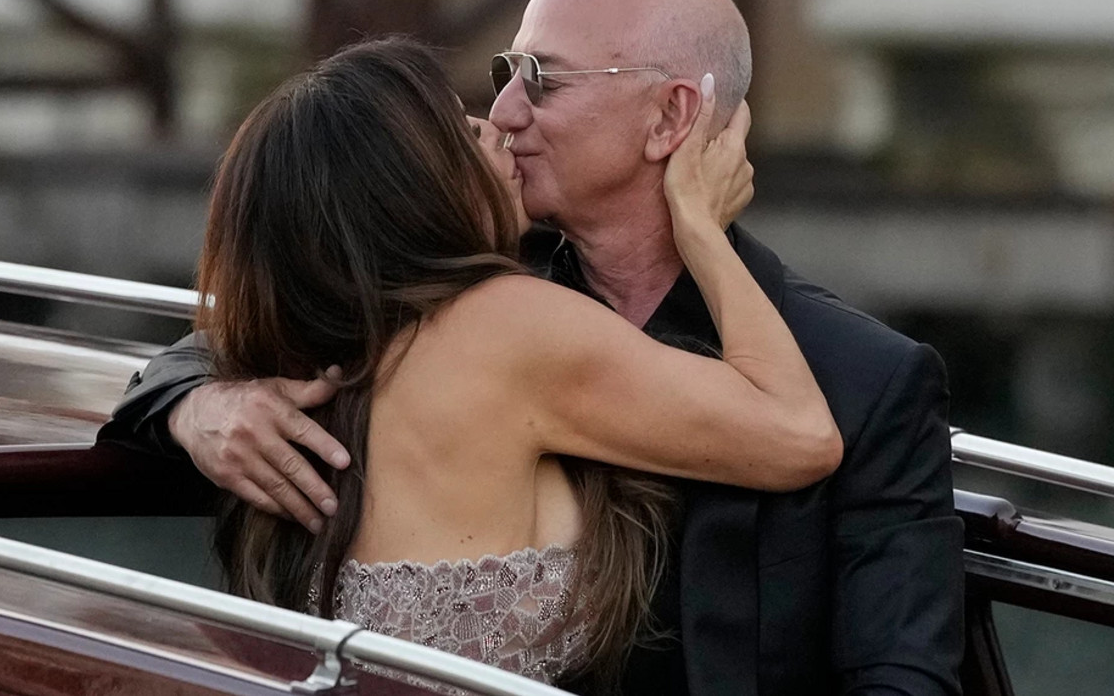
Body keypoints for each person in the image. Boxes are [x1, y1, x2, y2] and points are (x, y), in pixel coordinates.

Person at [100, 0, 964, 696]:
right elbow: (244, 329)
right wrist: (199, 404)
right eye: (504, 76)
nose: (506, 114)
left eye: (541, 80)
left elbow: (902, 677)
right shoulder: (479, 299)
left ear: (670, 118)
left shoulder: (865, 378)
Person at [184, 36, 839, 689]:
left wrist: (189, 403)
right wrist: (699, 227)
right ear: (405, 187)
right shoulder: (506, 325)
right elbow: (800, 435)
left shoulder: (295, 349)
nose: (496, 124)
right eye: (461, 131)